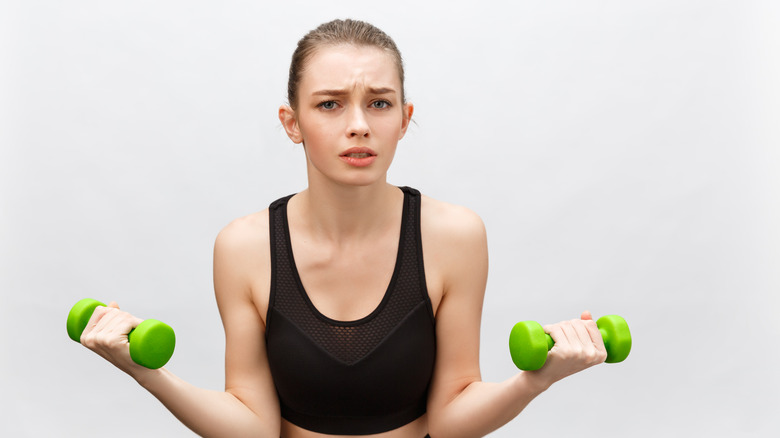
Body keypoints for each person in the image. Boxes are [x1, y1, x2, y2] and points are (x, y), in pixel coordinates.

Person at [80, 18, 608, 438]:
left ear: (404, 118)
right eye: (330, 104)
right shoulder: (244, 247)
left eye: (379, 103)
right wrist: (144, 371)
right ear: (292, 123)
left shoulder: (455, 236)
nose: (359, 123)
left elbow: (450, 420)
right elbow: (253, 426)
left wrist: (536, 379)